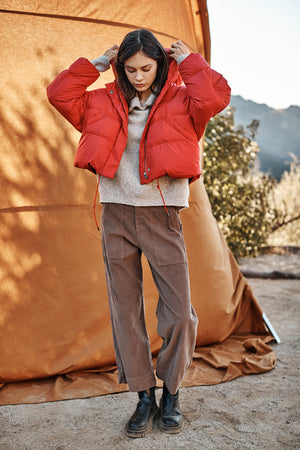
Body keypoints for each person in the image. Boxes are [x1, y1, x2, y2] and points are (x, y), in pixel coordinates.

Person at [47, 28, 231, 438]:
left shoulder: (184, 101)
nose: (139, 76)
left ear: (161, 64)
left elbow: (215, 98)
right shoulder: (102, 100)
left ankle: (172, 391)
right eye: (130, 69)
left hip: (161, 215)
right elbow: (60, 95)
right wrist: (94, 65)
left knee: (180, 313)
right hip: (116, 213)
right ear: (120, 68)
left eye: (147, 68)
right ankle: (143, 395)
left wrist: (192, 63)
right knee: (125, 310)